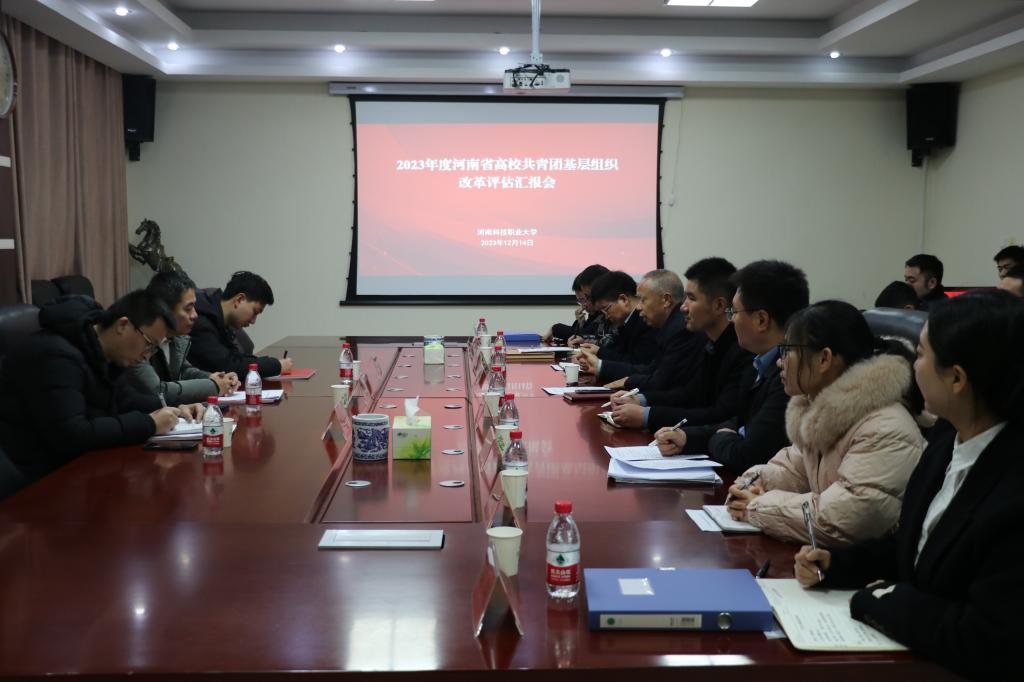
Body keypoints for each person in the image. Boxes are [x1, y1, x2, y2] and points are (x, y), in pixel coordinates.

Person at [794, 290, 1024, 679]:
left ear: (956, 378)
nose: (912, 366)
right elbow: (916, 550)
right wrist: (839, 565)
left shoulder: (1013, 488)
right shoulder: (946, 442)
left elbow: (991, 639)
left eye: (919, 355)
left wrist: (886, 602)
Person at [723, 300, 924, 546]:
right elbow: (792, 471)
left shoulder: (885, 428)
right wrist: (751, 484)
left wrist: (757, 506)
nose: (779, 362)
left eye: (787, 350)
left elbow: (842, 519)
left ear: (824, 359)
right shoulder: (822, 413)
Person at [0, 291, 196, 484]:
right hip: (37, 478)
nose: (147, 355)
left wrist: (176, 409)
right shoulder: (56, 355)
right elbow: (72, 434)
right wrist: (149, 424)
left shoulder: (103, 351)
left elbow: (126, 399)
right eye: (148, 344)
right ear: (123, 325)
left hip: (79, 467)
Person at [654, 260, 808, 475]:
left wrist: (723, 437)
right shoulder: (758, 363)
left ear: (761, 320)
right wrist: (687, 437)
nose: (732, 320)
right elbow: (736, 423)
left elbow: (747, 454)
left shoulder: (790, 377)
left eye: (734, 312)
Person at [610, 258, 752, 431]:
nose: (683, 307)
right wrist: (641, 400)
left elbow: (720, 414)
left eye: (691, 298)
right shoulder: (711, 343)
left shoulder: (742, 350)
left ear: (719, 305)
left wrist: (647, 415)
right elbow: (689, 394)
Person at [118, 272, 240, 406]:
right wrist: (214, 386)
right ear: (165, 309)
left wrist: (215, 378)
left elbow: (183, 370)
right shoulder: (138, 339)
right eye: (188, 309)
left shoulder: (176, 338)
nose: (195, 315)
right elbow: (157, 390)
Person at [578, 269, 703, 394]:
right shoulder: (667, 325)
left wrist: (636, 393)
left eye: (643, 300)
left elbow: (661, 381)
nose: (638, 306)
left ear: (666, 300)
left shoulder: (677, 329)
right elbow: (652, 370)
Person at [188, 271, 293, 378]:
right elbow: (229, 367)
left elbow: (236, 358)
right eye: (255, 312)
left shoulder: (220, 319)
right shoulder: (200, 321)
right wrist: (276, 366)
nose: (253, 321)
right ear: (239, 299)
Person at [585, 270, 658, 365]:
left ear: (624, 299)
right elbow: (620, 354)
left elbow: (637, 364)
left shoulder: (647, 321)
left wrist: (599, 356)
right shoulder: (627, 322)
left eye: (606, 309)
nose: (606, 317)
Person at [544, 264, 609, 345]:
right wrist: (581, 324)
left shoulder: (608, 313)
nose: (583, 306)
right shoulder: (595, 315)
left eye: (585, 299)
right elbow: (583, 336)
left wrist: (555, 328)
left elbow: (590, 335)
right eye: (580, 301)